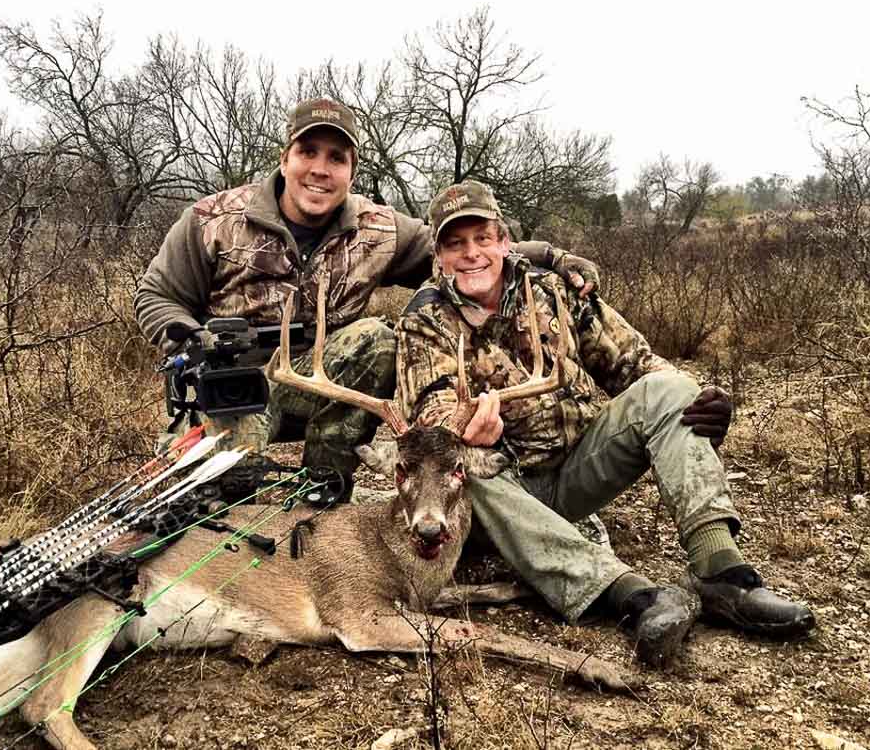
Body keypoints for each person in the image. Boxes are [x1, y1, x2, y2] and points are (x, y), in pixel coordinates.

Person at [395, 180, 816, 666]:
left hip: (578, 469)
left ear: (504, 241)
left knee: (672, 389)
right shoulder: (423, 319)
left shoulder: (552, 291)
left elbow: (634, 360)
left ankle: (722, 571)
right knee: (463, 468)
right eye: (455, 244)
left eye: (482, 238)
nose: (471, 254)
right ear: (438, 255)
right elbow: (429, 413)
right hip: (502, 491)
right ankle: (630, 596)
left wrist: (697, 399)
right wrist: (463, 426)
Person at [135, 99, 599, 501]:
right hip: (233, 389)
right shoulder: (212, 220)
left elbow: (464, 254)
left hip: (319, 381)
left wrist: (552, 257)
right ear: (284, 157)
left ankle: (324, 491)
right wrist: (197, 341)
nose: (320, 169)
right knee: (214, 503)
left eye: (336, 157)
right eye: (307, 152)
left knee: (378, 340)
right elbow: (157, 295)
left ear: (352, 169)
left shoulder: (379, 228)